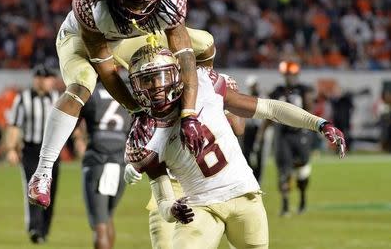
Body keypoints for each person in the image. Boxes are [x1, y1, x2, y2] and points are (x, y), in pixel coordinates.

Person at [28, 0, 216, 207]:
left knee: (205, 43)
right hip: (81, 40)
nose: (138, 9)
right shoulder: (92, 0)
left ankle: (214, 107)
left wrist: (189, 112)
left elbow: (185, 58)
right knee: (82, 84)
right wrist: (136, 110)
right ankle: (42, 171)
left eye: (145, 1)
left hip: (129, 36)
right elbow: (106, 67)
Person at [125, 45, 346, 249]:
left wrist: (318, 123)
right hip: (199, 207)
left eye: (161, 76)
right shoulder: (144, 133)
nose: (155, 87)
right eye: (146, 80)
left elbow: (269, 109)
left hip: (243, 196)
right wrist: (172, 210)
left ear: (176, 74)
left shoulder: (203, 85)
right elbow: (163, 199)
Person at [124, 73, 245, 249]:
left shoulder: (210, 82)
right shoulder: (161, 84)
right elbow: (141, 139)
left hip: (210, 185)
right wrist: (134, 164)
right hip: (170, 184)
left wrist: (218, 105)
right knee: (163, 245)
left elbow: (239, 128)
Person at [4, 64, 59, 244]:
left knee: (50, 190)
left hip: (52, 151)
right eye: (40, 77)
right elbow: (14, 125)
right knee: (32, 187)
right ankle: (34, 228)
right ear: (35, 79)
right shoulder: (23, 98)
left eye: (46, 78)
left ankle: (45, 230)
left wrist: (79, 140)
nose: (43, 81)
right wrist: (11, 149)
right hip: (31, 150)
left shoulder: (58, 98)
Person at [76, 78, 131, 249]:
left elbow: (73, 120)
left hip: (97, 160)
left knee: (99, 226)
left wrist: (78, 139)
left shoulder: (90, 92)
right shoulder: (128, 90)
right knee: (108, 217)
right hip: (121, 162)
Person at [258, 61, 317, 216]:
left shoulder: (304, 90)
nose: (290, 77)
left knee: (302, 171)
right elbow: (268, 114)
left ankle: (303, 199)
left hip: (300, 134)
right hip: (282, 135)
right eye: (287, 74)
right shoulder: (277, 92)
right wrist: (261, 134)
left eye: (292, 74)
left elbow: (310, 110)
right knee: (283, 171)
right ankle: (285, 205)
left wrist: (313, 129)